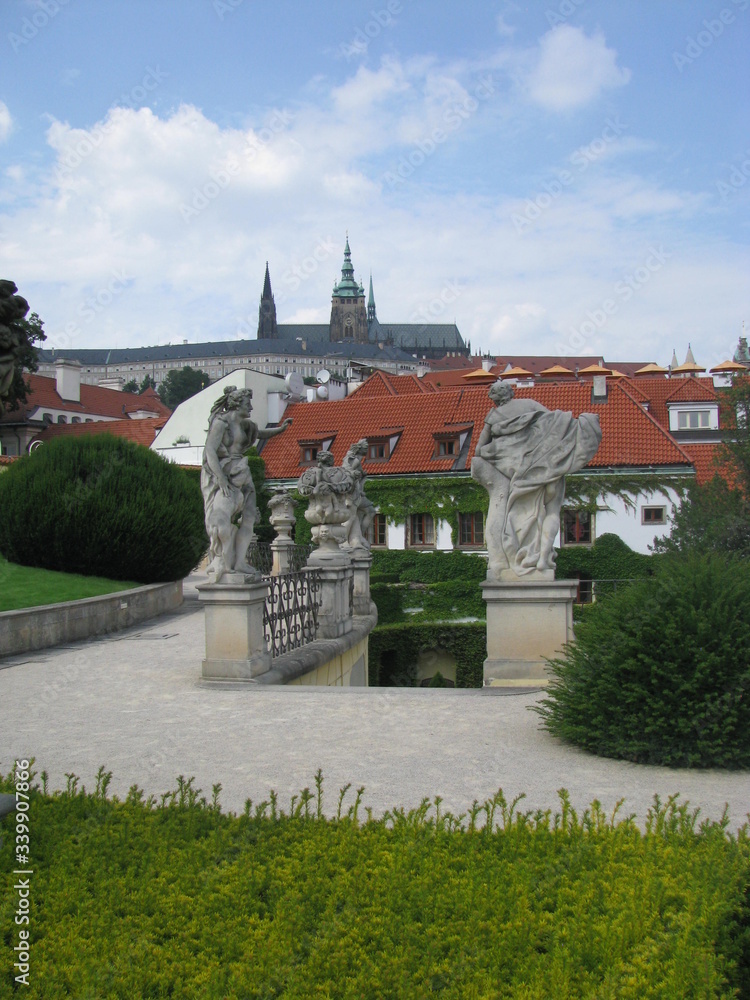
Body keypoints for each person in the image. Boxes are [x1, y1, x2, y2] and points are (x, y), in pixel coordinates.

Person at [471, 381, 601, 579]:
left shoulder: (493, 416)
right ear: (510, 393)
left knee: (518, 514)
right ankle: (542, 558)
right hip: (546, 467)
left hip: (518, 476)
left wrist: (503, 447)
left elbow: (479, 448)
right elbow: (555, 426)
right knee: (552, 511)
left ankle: (518, 557)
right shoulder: (529, 404)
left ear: (495, 398)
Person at [201, 386, 291, 582]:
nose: (250, 407)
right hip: (225, 472)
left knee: (249, 517)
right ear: (236, 404)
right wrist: (220, 478)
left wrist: (281, 429)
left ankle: (240, 561)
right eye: (247, 403)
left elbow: (260, 434)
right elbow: (210, 451)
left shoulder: (245, 425)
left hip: (242, 471)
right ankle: (222, 560)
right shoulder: (221, 423)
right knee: (221, 515)